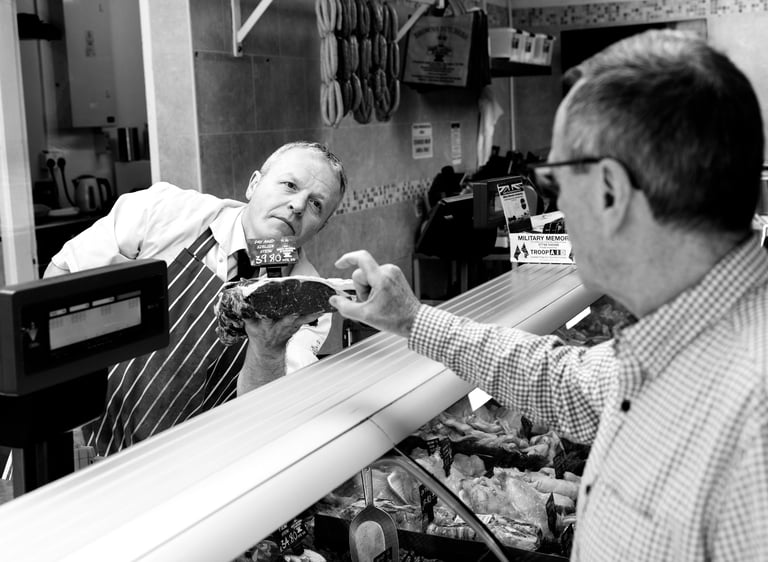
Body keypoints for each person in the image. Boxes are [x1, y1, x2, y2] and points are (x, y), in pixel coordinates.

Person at [330, 30, 768, 561]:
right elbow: (561, 381)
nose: (554, 210)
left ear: (610, 191)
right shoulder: (682, 334)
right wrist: (411, 319)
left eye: (555, 182)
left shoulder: (753, 416)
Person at [45, 141, 347, 456]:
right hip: (83, 437)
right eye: (289, 185)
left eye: (316, 204)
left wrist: (268, 349)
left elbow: (265, 419)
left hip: (190, 465)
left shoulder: (307, 302)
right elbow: (61, 274)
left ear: (320, 227)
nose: (297, 205)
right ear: (254, 184)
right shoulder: (165, 211)